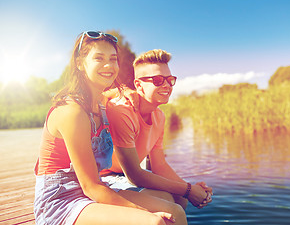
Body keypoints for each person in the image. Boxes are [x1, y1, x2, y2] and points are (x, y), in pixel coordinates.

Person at [34, 31, 187, 225]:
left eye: (113, 59)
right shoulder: (72, 112)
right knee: (154, 222)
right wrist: (143, 213)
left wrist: (126, 90)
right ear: (80, 63)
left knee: (175, 209)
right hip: (62, 200)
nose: (108, 65)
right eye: (99, 58)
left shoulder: (101, 103)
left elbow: (114, 93)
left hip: (93, 189)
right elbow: (91, 187)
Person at [101, 49, 213, 211]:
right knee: (168, 201)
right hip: (105, 177)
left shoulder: (159, 116)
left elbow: (159, 165)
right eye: (158, 80)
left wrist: (190, 188)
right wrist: (188, 190)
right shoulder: (123, 110)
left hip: (124, 175)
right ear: (138, 85)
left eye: (170, 80)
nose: (167, 85)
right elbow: (135, 175)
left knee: (180, 199)